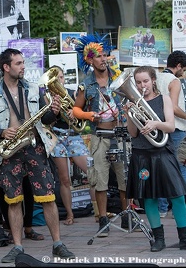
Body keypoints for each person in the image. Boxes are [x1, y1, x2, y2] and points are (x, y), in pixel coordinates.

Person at [0, 48, 75, 263]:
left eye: (23, 63)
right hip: (9, 150)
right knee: (13, 200)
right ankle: (17, 246)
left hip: (35, 147)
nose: (23, 67)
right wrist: (1, 132)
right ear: (6, 67)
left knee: (48, 197)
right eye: (19, 63)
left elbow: (46, 119)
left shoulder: (34, 90)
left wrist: (55, 111)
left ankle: (58, 244)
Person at [124, 65, 186, 252]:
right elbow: (133, 134)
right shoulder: (134, 103)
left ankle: (185, 238)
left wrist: (155, 124)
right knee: (149, 198)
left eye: (146, 81)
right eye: (139, 82)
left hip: (162, 152)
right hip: (142, 154)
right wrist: (128, 114)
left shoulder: (164, 99)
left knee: (177, 195)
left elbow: (171, 126)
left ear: (153, 80)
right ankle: (159, 239)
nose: (143, 85)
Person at [0, 64, 45, 242]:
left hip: (22, 146)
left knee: (27, 188)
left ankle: (28, 228)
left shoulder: (19, 94)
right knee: (6, 190)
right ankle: (11, 228)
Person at [72, 34, 128, 238]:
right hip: (100, 136)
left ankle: (126, 216)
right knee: (100, 180)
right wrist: (88, 115)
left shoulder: (118, 77)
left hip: (121, 135)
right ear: (89, 59)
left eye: (106, 55)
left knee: (125, 178)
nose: (104, 59)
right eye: (99, 56)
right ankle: (103, 220)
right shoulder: (86, 85)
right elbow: (75, 110)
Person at [46, 65, 96, 226]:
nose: (60, 80)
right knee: (64, 179)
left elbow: (80, 116)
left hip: (73, 136)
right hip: (57, 136)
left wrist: (73, 114)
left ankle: (98, 211)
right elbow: (46, 121)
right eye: (57, 77)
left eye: (61, 77)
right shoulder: (46, 96)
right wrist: (54, 111)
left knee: (91, 173)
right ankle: (70, 214)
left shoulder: (71, 93)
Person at [155, 50, 186, 218]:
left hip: (160, 129)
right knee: (181, 169)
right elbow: (173, 108)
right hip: (177, 129)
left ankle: (161, 208)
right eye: (184, 69)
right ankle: (178, 210)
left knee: (162, 170)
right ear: (179, 66)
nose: (184, 73)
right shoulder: (174, 81)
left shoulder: (155, 77)